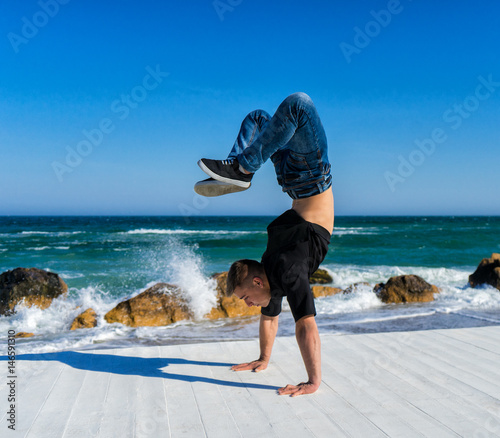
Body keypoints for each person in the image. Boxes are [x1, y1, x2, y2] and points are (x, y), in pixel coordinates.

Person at [196, 92, 334, 397]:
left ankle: (239, 170)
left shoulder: (278, 271)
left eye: (245, 296)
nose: (247, 304)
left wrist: (312, 382)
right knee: (288, 109)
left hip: (303, 179)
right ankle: (240, 171)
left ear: (257, 280)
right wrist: (264, 360)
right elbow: (286, 321)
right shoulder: (281, 275)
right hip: (306, 178)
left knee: (269, 114)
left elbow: (300, 325)